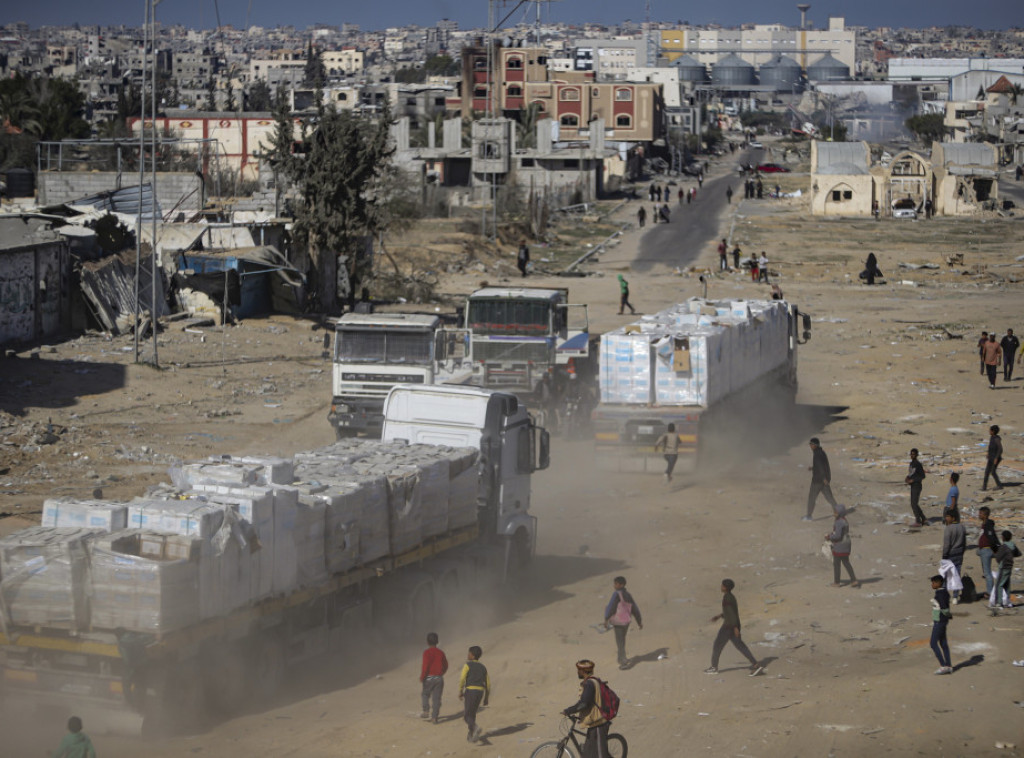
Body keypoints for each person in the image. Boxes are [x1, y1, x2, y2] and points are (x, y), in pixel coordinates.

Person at [704, 579, 763, 676]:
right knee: (740, 646)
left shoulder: (727, 598)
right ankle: (756, 665)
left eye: (722, 586)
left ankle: (714, 667)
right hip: (732, 625)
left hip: (728, 627)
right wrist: (719, 616)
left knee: (717, 646)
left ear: (725, 588)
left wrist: (735, 628)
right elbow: (730, 612)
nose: (721, 587)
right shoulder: (730, 597)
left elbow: (731, 614)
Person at [562, 660, 610, 758]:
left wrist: (569, 710)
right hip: (594, 722)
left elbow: (584, 704)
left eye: (578, 670)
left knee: (601, 755)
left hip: (599, 724)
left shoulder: (589, 684)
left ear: (583, 671)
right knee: (587, 755)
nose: (577, 672)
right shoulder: (592, 681)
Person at [604, 576, 642, 669]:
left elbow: (611, 607)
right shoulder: (628, 595)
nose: (614, 585)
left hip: (618, 622)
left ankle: (623, 661)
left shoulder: (616, 594)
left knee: (620, 641)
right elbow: (635, 609)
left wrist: (606, 619)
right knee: (622, 640)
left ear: (622, 584)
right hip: (626, 621)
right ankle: (620, 658)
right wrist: (639, 621)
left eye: (616, 584)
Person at [457, 645, 490, 743]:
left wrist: (460, 691)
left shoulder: (467, 665)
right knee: (472, 713)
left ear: (472, 655)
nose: (467, 655)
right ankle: (472, 735)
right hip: (480, 692)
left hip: (471, 691)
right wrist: (486, 697)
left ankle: (475, 728)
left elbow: (462, 678)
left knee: (467, 716)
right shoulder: (483, 667)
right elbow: (488, 684)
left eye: (469, 653)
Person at [804, 437, 838, 520]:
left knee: (812, 497)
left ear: (815, 445)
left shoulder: (817, 454)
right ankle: (837, 511)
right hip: (824, 479)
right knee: (829, 497)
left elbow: (820, 467)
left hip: (818, 480)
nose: (810, 446)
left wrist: (823, 478)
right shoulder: (821, 452)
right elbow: (820, 466)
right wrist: (812, 468)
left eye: (811, 444)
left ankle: (809, 516)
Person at [827, 505, 860, 588]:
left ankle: (837, 582)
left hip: (840, 545)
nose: (834, 514)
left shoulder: (839, 522)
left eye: (835, 512)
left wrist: (829, 537)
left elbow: (837, 536)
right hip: (846, 543)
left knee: (837, 564)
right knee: (846, 562)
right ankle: (853, 580)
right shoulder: (844, 520)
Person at [420, 632, 448, 723]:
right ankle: (434, 717)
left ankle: (426, 711)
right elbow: (446, 665)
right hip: (439, 678)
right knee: (436, 698)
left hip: (428, 678)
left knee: (425, 694)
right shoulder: (441, 653)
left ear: (427, 642)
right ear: (437, 641)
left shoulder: (426, 653)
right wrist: (441, 673)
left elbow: (425, 666)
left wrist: (422, 677)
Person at [929, 575, 953, 675]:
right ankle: (949, 665)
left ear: (939, 583)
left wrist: (948, 615)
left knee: (933, 643)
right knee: (943, 643)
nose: (932, 584)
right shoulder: (944, 592)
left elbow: (944, 608)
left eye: (934, 582)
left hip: (939, 621)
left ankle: (943, 666)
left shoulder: (940, 594)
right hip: (942, 621)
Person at [942, 509, 967, 603]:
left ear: (953, 518)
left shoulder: (948, 529)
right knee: (956, 574)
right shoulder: (962, 527)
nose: (946, 518)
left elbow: (946, 544)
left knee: (946, 575)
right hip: (959, 553)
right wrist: (962, 551)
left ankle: (944, 595)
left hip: (950, 554)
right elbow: (964, 543)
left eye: (948, 517)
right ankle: (955, 597)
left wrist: (944, 555)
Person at [991, 530, 1019, 609]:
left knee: (999, 585)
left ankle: (999, 603)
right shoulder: (1012, 545)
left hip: (1003, 567)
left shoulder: (1003, 547)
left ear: (1003, 537)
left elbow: (998, 558)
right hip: (1010, 567)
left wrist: (996, 552)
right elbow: (1018, 553)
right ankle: (1007, 602)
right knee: (1007, 585)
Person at [976, 506, 1000, 597]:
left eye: (981, 513)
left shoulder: (988, 526)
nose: (979, 515)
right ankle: (991, 591)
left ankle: (990, 593)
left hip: (986, 550)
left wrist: (995, 549)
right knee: (986, 572)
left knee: (987, 573)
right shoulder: (985, 525)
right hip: (984, 550)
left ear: (985, 515)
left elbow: (991, 538)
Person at [905, 448, 927, 526]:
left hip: (917, 486)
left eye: (913, 454)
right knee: (914, 503)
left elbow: (923, 476)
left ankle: (918, 521)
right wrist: (907, 478)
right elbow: (911, 473)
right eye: (911, 454)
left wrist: (913, 480)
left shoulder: (918, 464)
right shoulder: (911, 464)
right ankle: (923, 518)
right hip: (913, 486)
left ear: (916, 455)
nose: (912, 455)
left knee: (914, 504)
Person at [982, 424, 1003, 491]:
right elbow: (990, 446)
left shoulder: (997, 439)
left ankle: (999, 485)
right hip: (991, 457)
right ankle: (984, 487)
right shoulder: (992, 437)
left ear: (993, 431)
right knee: (987, 472)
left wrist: (996, 458)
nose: (989, 431)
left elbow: (1000, 449)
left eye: (990, 430)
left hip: (995, 458)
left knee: (993, 472)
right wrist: (988, 453)